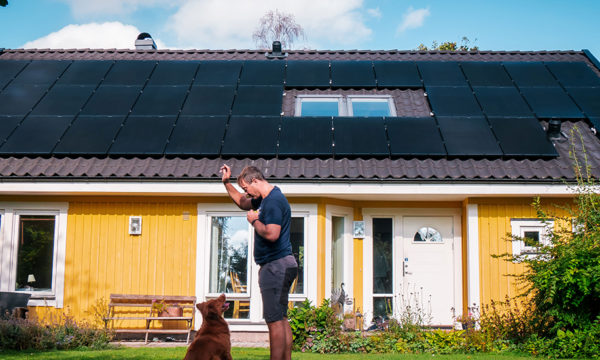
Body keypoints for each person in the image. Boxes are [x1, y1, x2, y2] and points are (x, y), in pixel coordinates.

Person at [220, 164, 298, 360]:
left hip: (275, 265)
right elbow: (242, 202)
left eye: (246, 188)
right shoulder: (264, 199)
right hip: (283, 264)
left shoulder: (272, 201)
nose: (246, 193)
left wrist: (254, 221)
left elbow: (272, 234)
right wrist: (226, 183)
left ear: (254, 180)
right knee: (281, 318)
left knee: (274, 320)